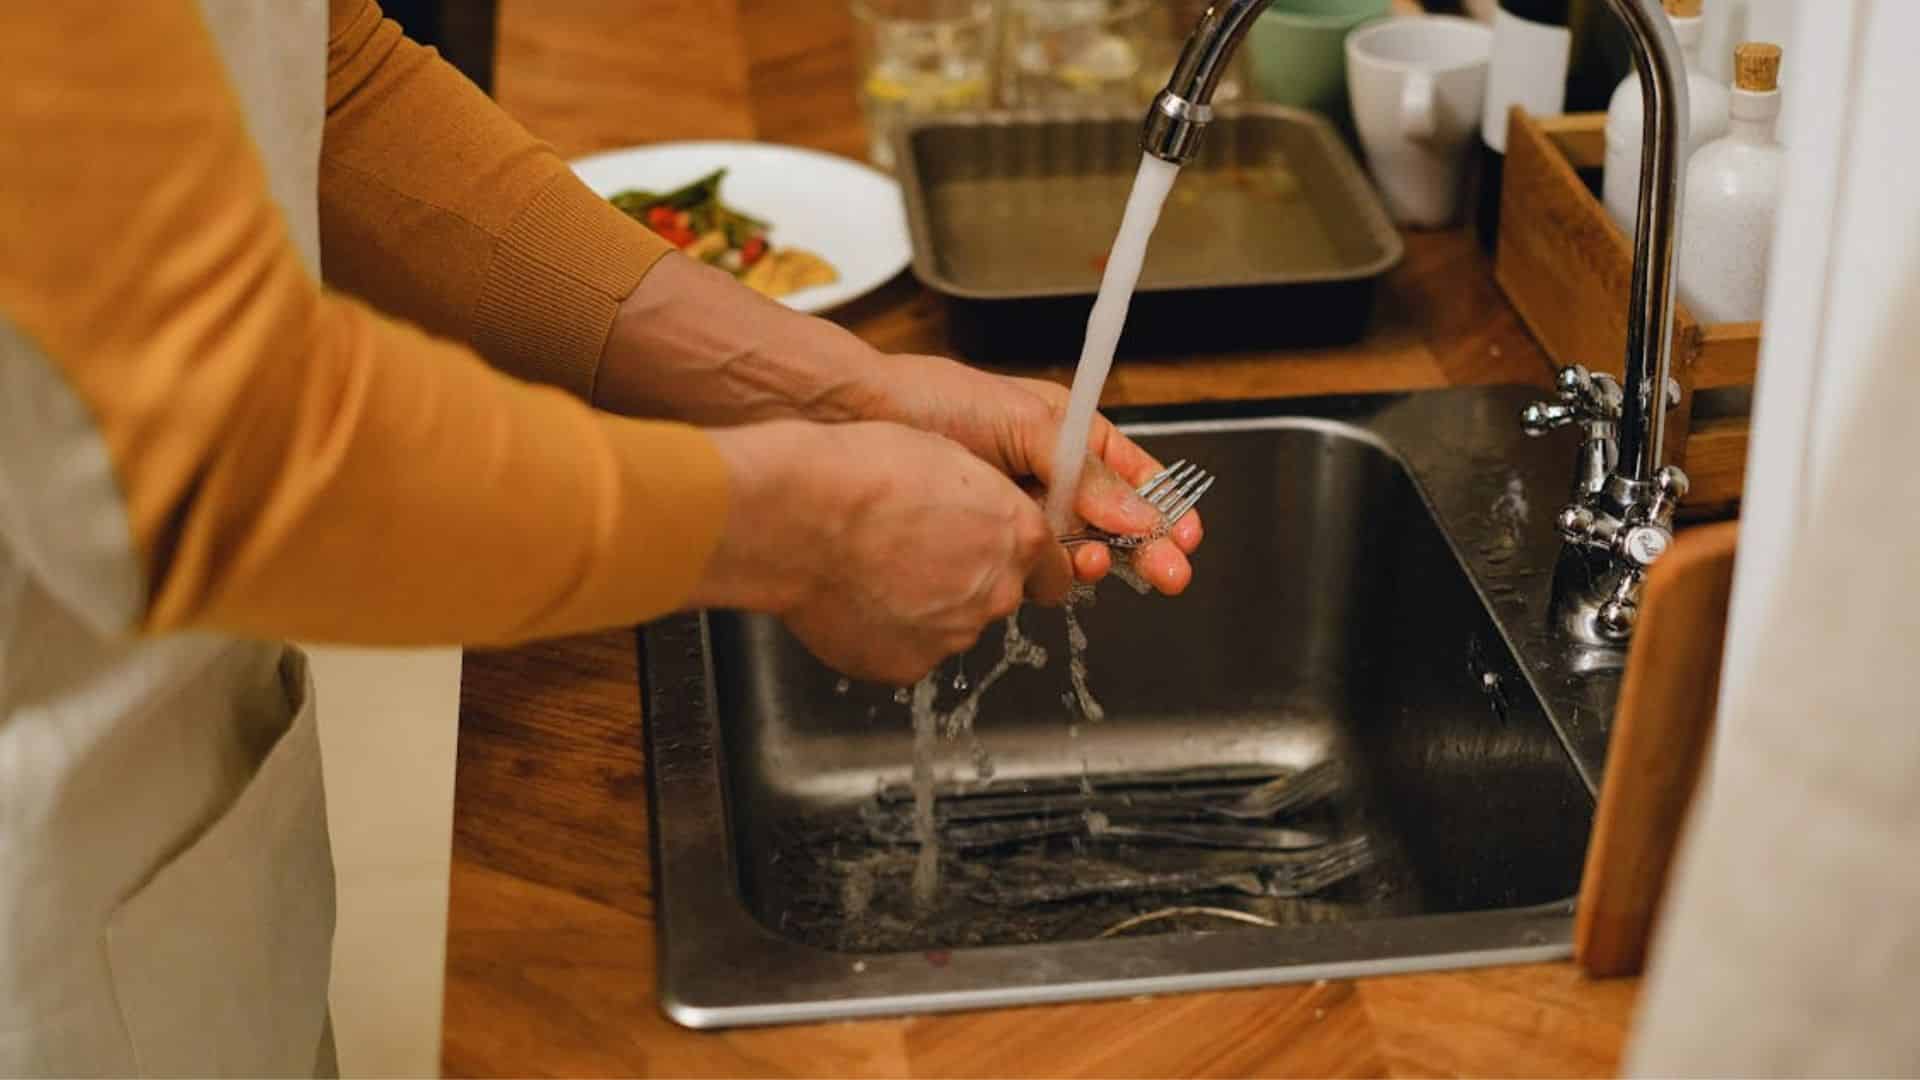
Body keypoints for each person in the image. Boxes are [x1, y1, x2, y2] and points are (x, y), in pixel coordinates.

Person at [0, 1, 1203, 1074]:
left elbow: (321, 78)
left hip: (164, 822)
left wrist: (838, 393)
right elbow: (219, 455)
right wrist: (792, 526)